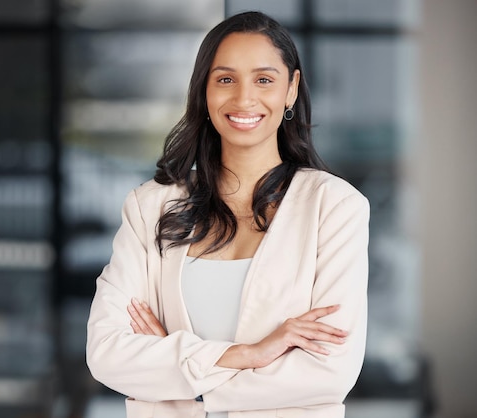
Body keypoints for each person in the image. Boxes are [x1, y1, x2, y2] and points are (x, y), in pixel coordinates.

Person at [86, 10, 369, 418]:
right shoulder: (150, 206)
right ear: (204, 90)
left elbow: (329, 371)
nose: (243, 99)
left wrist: (180, 380)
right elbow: (106, 353)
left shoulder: (335, 208)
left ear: (291, 89)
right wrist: (248, 354)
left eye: (264, 80)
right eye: (225, 79)